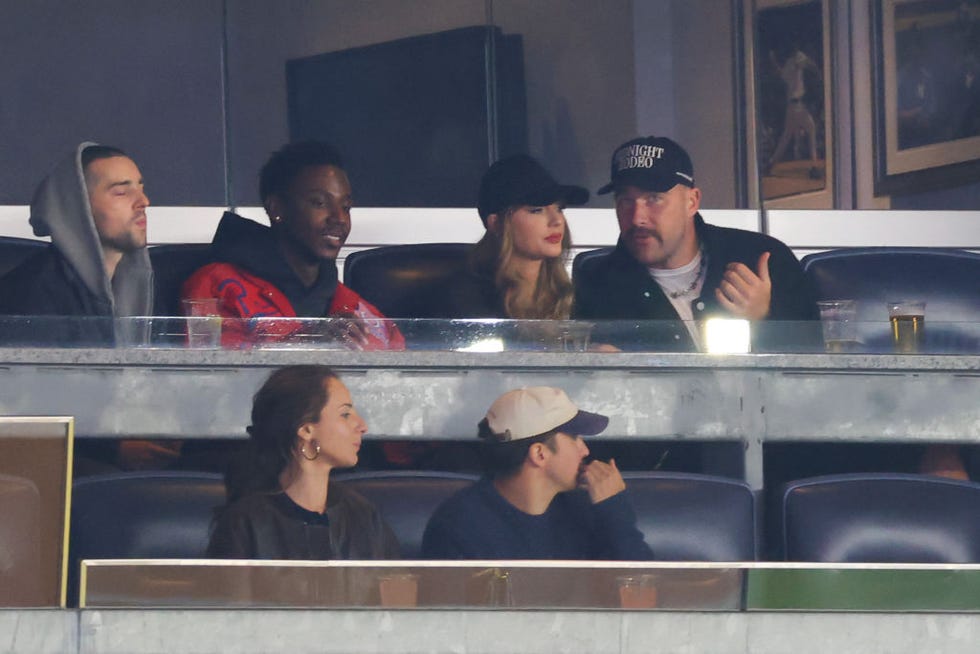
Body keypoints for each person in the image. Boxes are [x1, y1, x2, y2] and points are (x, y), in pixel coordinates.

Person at [574, 136, 819, 351]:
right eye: (625, 201)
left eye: (654, 199)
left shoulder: (760, 258)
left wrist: (765, 319)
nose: (637, 217)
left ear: (692, 202)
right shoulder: (598, 283)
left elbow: (814, 375)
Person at [181, 141, 404, 350]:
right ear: (277, 208)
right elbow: (211, 376)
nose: (339, 218)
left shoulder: (355, 308)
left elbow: (404, 378)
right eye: (319, 203)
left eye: (345, 207)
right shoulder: (216, 286)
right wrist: (308, 342)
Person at [421, 386, 653, 560]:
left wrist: (616, 514)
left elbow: (643, 595)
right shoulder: (459, 525)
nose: (585, 450)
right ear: (539, 454)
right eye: (574, 438)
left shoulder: (589, 508)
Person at [208, 365, 400, 559]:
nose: (362, 426)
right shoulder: (244, 523)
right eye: (345, 415)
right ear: (306, 429)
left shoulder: (363, 515)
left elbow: (397, 585)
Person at [0, 142, 153, 344]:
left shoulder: (148, 291)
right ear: (79, 207)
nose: (144, 201)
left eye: (141, 188)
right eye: (121, 192)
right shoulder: (28, 299)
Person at [438, 154, 588, 322]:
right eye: (537, 210)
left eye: (559, 208)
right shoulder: (469, 298)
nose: (557, 221)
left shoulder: (573, 294)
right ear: (497, 224)